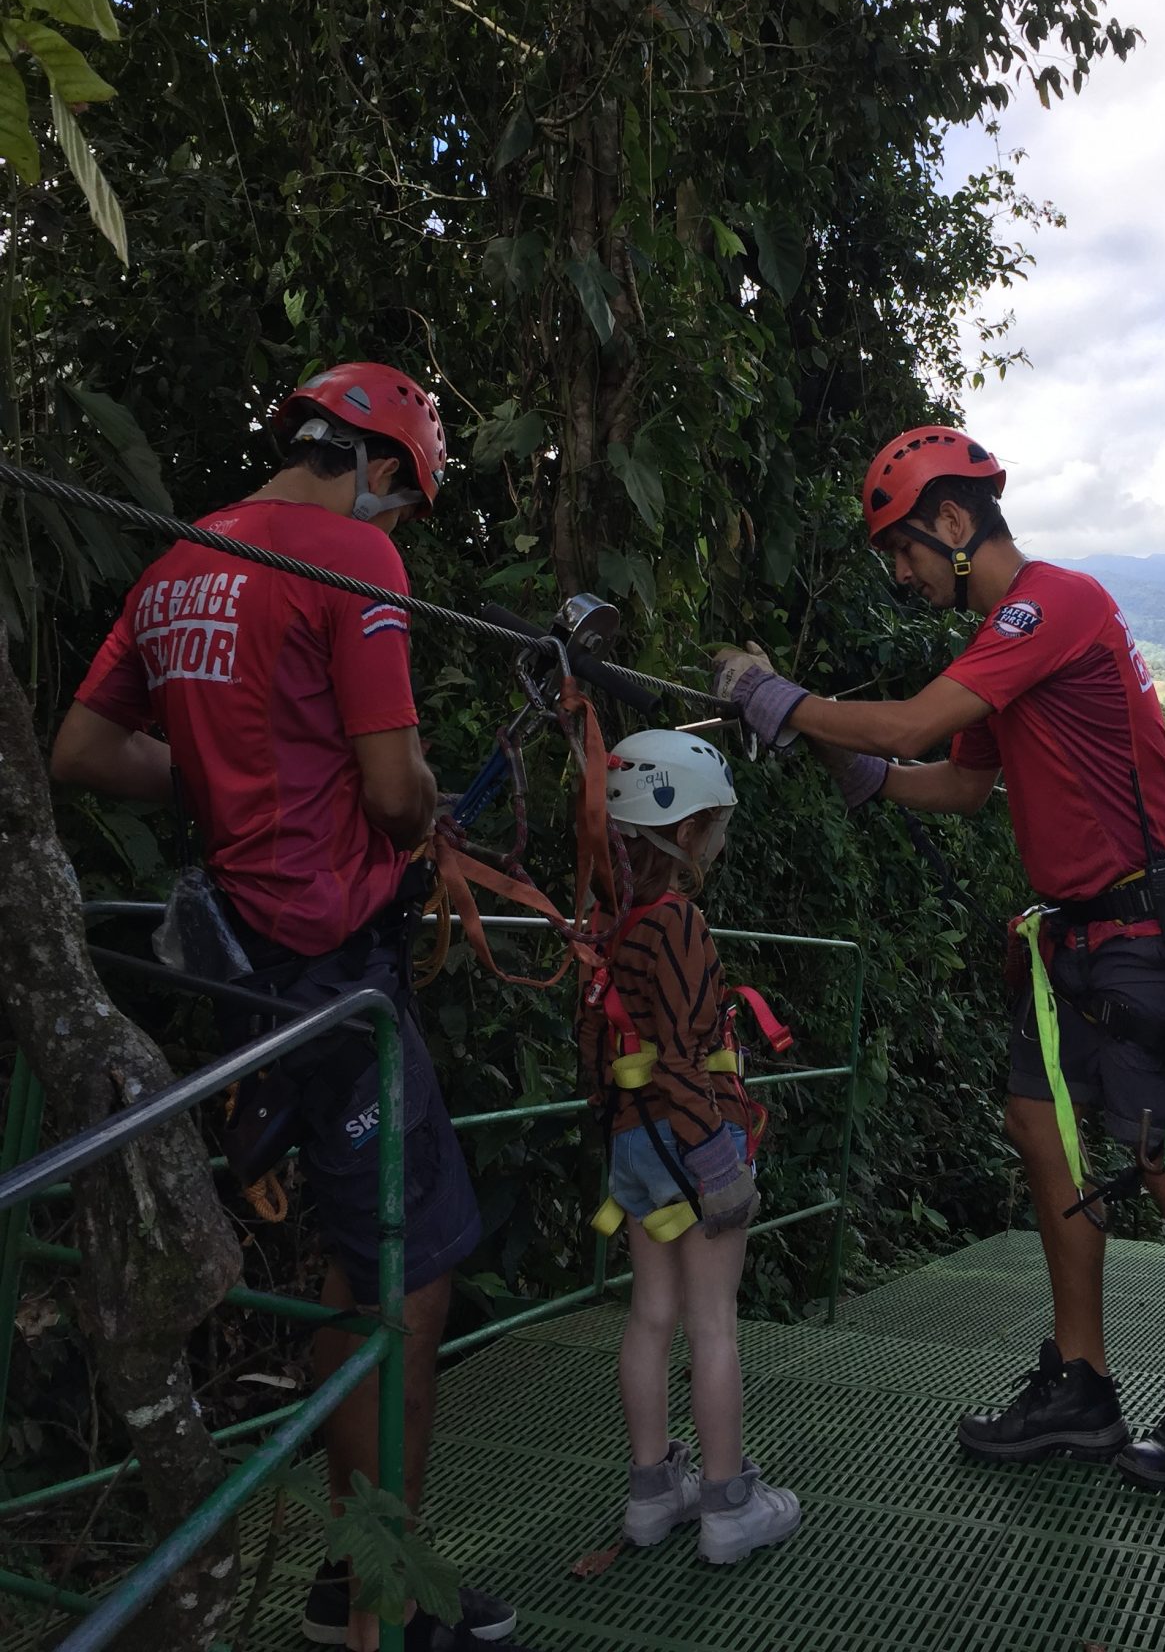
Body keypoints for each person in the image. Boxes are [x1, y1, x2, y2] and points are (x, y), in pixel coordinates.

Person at [51, 363, 518, 1650]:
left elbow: (82, 752)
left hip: (236, 966)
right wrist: (423, 803)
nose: (399, 530)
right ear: (378, 464)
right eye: (405, 505)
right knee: (408, 1277)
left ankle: (357, 1567)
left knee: (343, 1251)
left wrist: (216, 777)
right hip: (329, 970)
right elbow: (389, 792)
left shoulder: (179, 562)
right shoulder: (350, 560)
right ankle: (388, 1598)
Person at [713, 425, 1165, 1489]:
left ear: (956, 522)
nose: (901, 571)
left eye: (904, 548)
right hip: (1079, 931)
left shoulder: (1053, 602)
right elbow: (961, 780)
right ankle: (1082, 1383)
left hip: (1148, 931)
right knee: (1034, 1124)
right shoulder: (1002, 647)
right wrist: (861, 773)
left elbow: (922, 724)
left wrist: (783, 700)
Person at [577, 729, 801, 1563]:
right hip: (690, 1137)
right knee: (713, 1325)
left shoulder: (612, 923)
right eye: (710, 824)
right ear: (684, 829)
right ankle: (727, 1504)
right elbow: (680, 1057)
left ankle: (649, 1495)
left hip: (635, 1144)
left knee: (650, 1315)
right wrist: (716, 1159)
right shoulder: (676, 922)